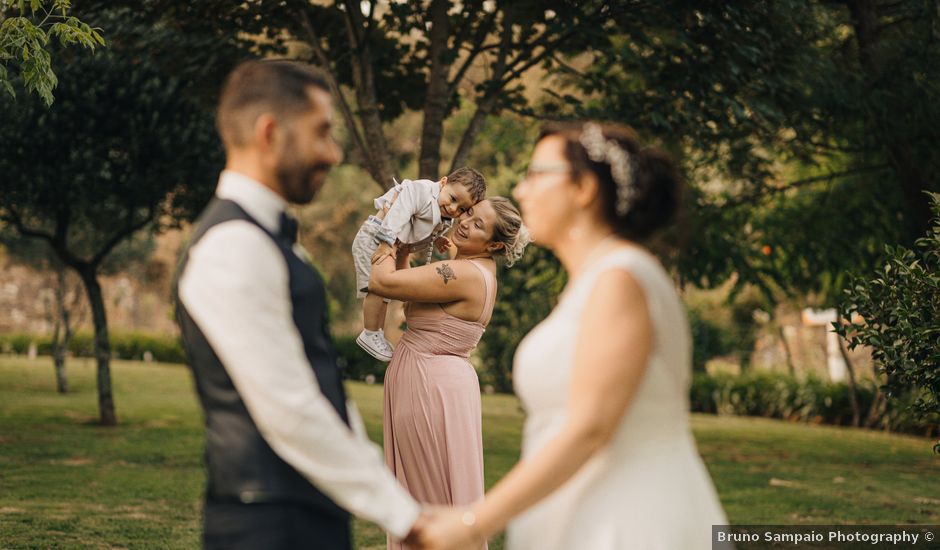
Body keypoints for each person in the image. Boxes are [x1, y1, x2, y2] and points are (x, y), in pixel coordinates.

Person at [416, 122, 729, 550]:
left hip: (630, 521)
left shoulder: (621, 279)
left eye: (535, 174)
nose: (522, 191)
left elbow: (590, 428)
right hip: (585, 511)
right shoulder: (597, 280)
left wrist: (473, 521)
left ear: (583, 189)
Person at [173, 59, 425, 550]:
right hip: (266, 527)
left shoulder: (273, 239)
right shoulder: (233, 247)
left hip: (304, 516)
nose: (334, 154)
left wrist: (388, 497)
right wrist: (407, 519)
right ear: (270, 132)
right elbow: (290, 407)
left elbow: (321, 386)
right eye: (322, 133)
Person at [368, 197, 529, 550]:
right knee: (429, 496)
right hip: (437, 382)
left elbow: (381, 282)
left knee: (427, 503)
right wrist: (407, 248)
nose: (466, 222)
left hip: (429, 387)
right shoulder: (475, 271)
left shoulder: (461, 274)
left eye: (479, 224)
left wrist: (387, 229)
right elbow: (409, 299)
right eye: (470, 212)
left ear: (494, 245)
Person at [353, 168, 486, 362]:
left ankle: (376, 332)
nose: (453, 209)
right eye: (453, 198)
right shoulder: (421, 190)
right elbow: (398, 213)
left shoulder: (444, 214)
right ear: (442, 183)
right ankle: (370, 331)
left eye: (462, 209)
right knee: (376, 288)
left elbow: (421, 229)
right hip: (376, 237)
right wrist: (384, 243)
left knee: (385, 295)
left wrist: (437, 238)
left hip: (392, 244)